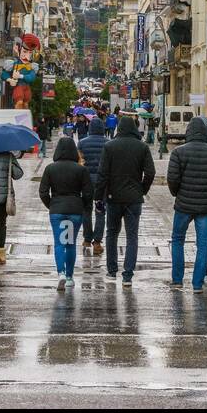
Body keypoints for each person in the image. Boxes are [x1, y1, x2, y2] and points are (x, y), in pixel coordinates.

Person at [166, 116, 207, 293]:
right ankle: (197, 283)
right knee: (203, 245)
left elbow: (172, 178)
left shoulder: (179, 152)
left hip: (183, 205)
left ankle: (177, 280)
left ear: (188, 132)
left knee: (178, 240)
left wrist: (177, 193)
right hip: (206, 206)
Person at [97, 113, 155, 285]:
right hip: (133, 198)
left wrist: (98, 197)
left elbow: (102, 175)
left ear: (119, 128)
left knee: (112, 234)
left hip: (113, 197)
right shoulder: (142, 147)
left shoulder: (110, 146)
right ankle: (128, 275)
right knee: (132, 236)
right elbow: (150, 173)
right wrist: (142, 190)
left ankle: (112, 271)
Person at [40, 136, 91, 290]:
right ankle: (69, 276)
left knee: (59, 242)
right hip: (75, 211)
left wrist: (52, 205)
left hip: (57, 211)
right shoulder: (81, 169)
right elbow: (88, 193)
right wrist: (83, 206)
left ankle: (60, 272)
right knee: (70, 243)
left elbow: (43, 192)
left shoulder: (50, 168)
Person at [78, 115, 109, 256]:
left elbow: (79, 163)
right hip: (102, 184)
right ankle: (97, 242)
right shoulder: (108, 143)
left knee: (86, 210)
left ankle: (86, 239)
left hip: (86, 182)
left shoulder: (82, 143)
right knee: (100, 212)